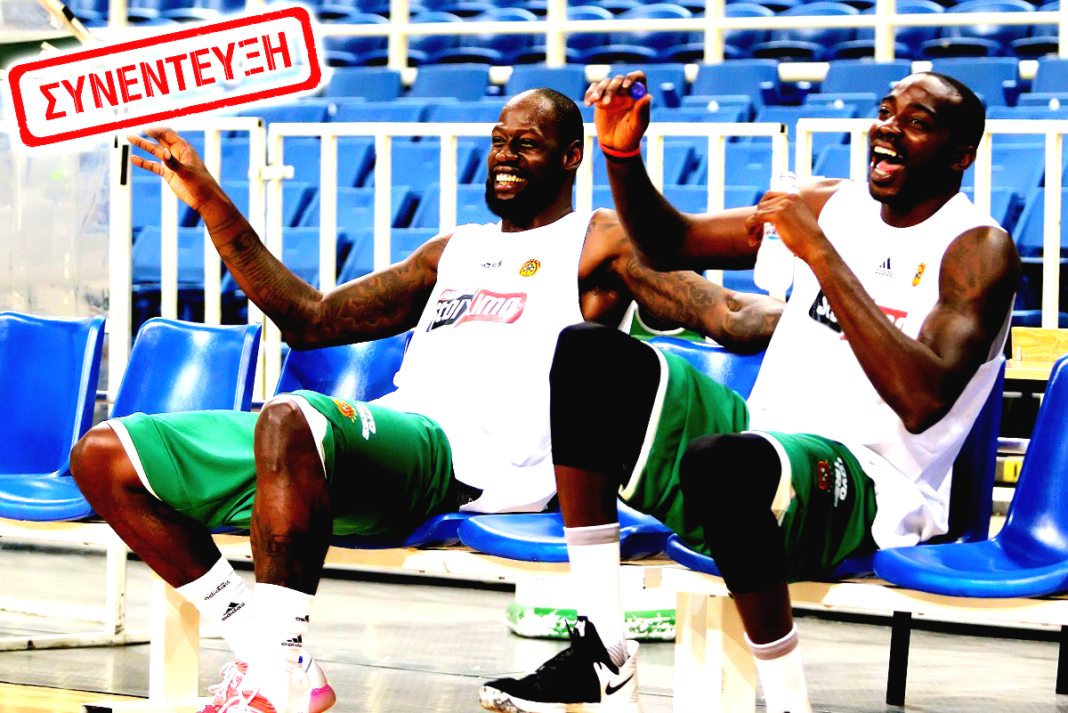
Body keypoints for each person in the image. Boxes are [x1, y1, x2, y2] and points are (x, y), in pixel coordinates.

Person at [69, 88, 783, 713]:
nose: (504, 155)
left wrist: (818, 306)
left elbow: (724, 313)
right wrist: (212, 204)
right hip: (398, 437)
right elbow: (310, 318)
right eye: (498, 140)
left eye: (526, 143)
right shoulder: (454, 250)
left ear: (572, 157)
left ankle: (277, 673)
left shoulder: (596, 241)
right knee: (105, 457)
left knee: (291, 417)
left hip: (471, 464)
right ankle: (263, 648)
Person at [479, 73, 1020, 713]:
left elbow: (921, 400)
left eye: (917, 122)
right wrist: (622, 157)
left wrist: (822, 256)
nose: (889, 129)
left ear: (961, 155)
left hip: (873, 483)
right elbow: (670, 243)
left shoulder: (978, 249)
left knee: (725, 462)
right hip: (760, 439)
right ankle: (604, 649)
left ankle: (789, 704)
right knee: (587, 353)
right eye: (885, 112)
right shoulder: (827, 203)